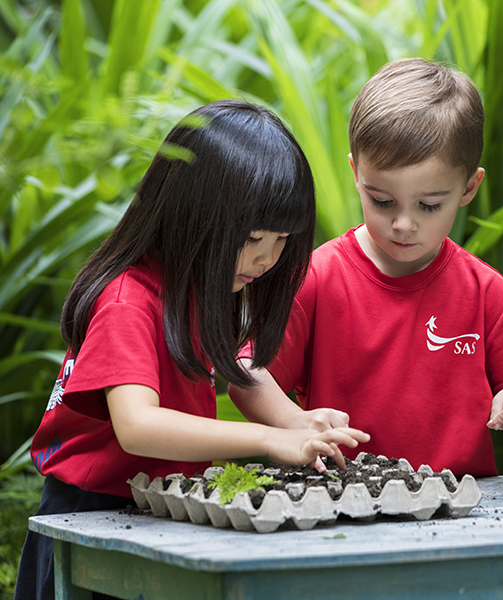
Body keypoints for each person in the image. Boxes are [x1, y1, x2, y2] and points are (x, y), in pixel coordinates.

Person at [16, 100, 369, 600]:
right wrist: (266, 440)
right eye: (252, 237)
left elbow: (238, 371)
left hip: (154, 513)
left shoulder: (202, 286)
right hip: (88, 522)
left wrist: (295, 421)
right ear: (192, 213)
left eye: (283, 240)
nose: (268, 258)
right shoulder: (128, 301)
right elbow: (139, 427)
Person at [230, 58, 503, 479]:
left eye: (428, 205)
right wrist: (294, 423)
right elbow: (247, 373)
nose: (403, 224)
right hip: (339, 498)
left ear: (469, 188)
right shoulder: (316, 277)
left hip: (461, 507)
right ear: (356, 173)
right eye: (382, 201)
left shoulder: (486, 292)